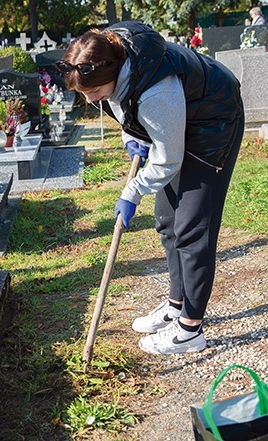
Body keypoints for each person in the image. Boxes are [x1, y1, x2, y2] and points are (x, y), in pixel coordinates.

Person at [56, 21, 244, 355]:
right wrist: (133, 137)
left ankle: (190, 330)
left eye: (93, 91)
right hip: (179, 118)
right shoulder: (111, 59)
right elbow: (122, 105)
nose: (89, 99)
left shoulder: (157, 91)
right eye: (83, 93)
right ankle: (176, 303)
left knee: (191, 228)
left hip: (213, 122)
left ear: (112, 72)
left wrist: (132, 191)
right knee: (167, 220)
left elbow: (168, 159)